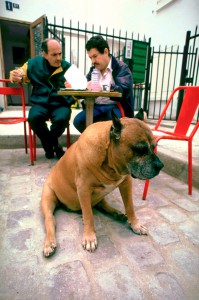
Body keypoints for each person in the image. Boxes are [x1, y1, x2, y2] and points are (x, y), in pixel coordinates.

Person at [10, 38, 74, 159]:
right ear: (44, 54)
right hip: (40, 103)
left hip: (61, 103)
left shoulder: (68, 67)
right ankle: (54, 145)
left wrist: (73, 87)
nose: (59, 58)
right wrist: (16, 76)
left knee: (62, 118)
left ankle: (48, 146)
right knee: (33, 117)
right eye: (54, 55)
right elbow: (18, 74)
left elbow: (79, 86)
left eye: (60, 53)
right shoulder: (33, 64)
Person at [73, 35, 134, 133]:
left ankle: (105, 145)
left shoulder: (121, 68)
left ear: (106, 51)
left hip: (114, 106)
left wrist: (103, 88)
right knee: (78, 121)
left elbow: (123, 90)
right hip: (95, 106)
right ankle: (97, 143)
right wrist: (76, 86)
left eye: (95, 56)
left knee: (112, 125)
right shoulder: (93, 70)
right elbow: (82, 90)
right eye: (90, 58)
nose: (93, 61)